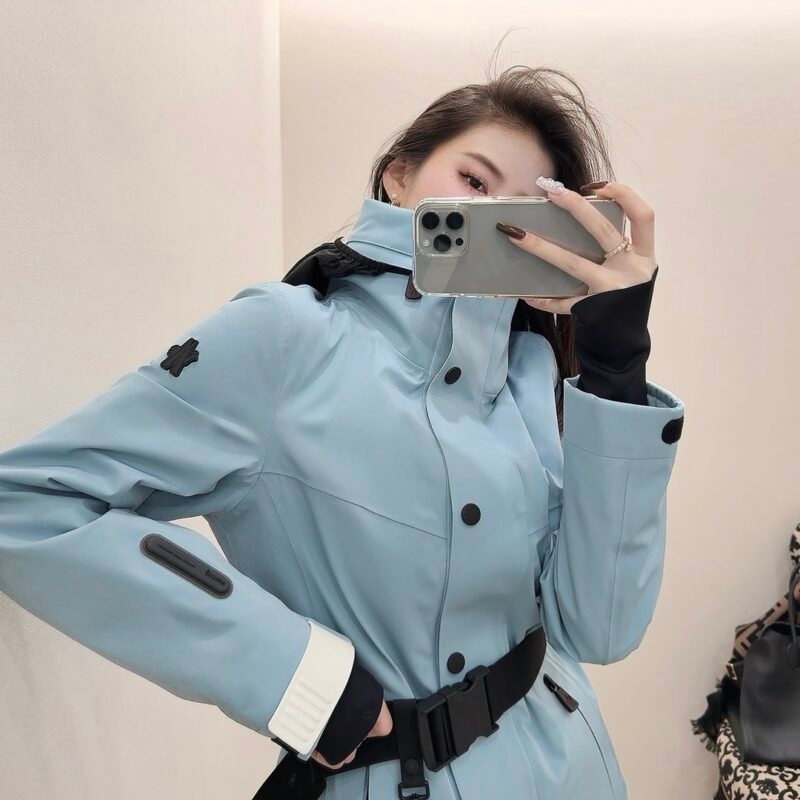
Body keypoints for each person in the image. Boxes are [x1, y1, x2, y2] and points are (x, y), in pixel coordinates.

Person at [0, 65, 685, 800]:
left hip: (572, 761)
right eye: (474, 181)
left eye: (529, 209)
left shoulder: (527, 371)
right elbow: (28, 504)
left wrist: (616, 369)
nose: (497, 219)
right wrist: (293, 672)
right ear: (399, 176)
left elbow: (599, 629)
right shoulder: (283, 336)